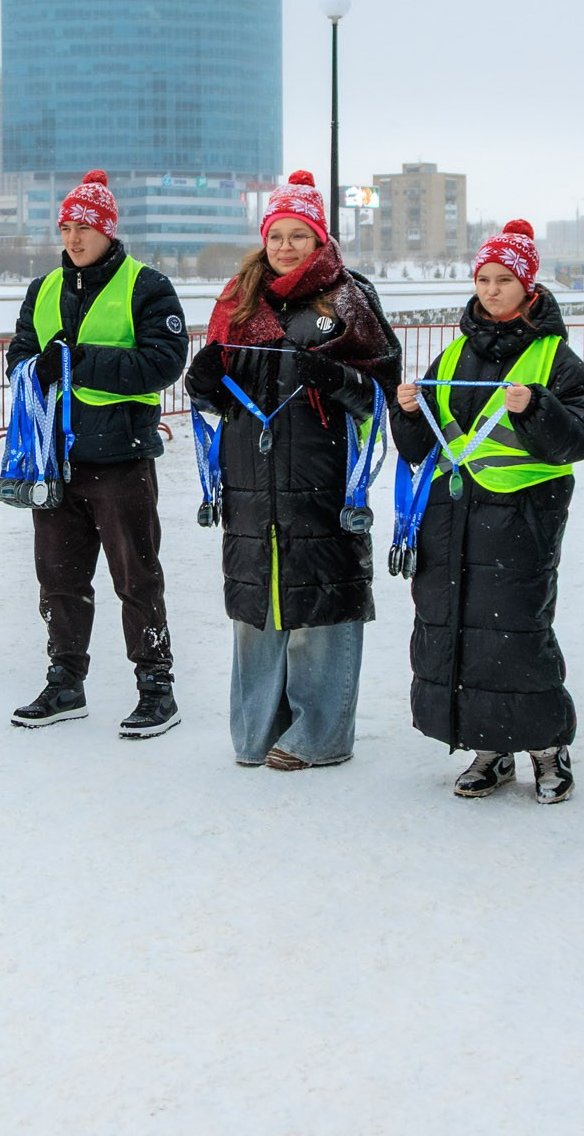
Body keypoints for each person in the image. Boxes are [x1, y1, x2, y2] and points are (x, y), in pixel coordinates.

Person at [186, 170, 400, 769]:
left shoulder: (349, 298)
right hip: (250, 476)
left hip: (322, 472)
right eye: (276, 235)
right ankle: (257, 731)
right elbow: (222, 394)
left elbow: (382, 391)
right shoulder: (237, 298)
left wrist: (338, 379)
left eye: (298, 236)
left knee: (321, 599)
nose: (285, 246)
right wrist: (202, 386)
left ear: (319, 239)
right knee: (257, 600)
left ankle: (321, 734)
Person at [390, 220, 584, 802]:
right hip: (451, 514)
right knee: (459, 628)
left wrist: (536, 408)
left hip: (523, 516)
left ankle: (548, 749)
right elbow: (419, 448)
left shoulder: (555, 357)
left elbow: (579, 440)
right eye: (483, 279)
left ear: (528, 286)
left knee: (518, 632)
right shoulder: (454, 353)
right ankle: (488, 747)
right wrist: (408, 411)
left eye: (504, 280)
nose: (491, 290)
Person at [4, 170, 192, 737]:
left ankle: (156, 687)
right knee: (58, 578)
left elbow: (163, 363)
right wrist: (33, 367)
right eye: (66, 227)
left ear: (108, 230)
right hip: (53, 460)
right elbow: (18, 356)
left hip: (120, 457)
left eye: (84, 227)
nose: (74, 238)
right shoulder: (42, 288)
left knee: (136, 576)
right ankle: (65, 681)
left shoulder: (147, 285)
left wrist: (78, 361)